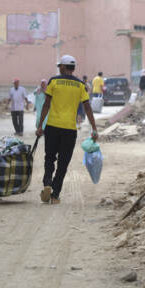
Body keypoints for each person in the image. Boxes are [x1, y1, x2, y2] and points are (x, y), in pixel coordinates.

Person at [36, 55, 98, 204]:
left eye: (60, 66)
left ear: (63, 67)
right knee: (63, 163)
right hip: (69, 130)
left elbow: (46, 104)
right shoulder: (80, 85)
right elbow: (87, 107)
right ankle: (55, 195)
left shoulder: (54, 81)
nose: (59, 68)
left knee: (49, 158)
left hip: (52, 126)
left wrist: (40, 126)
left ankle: (47, 183)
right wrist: (94, 128)